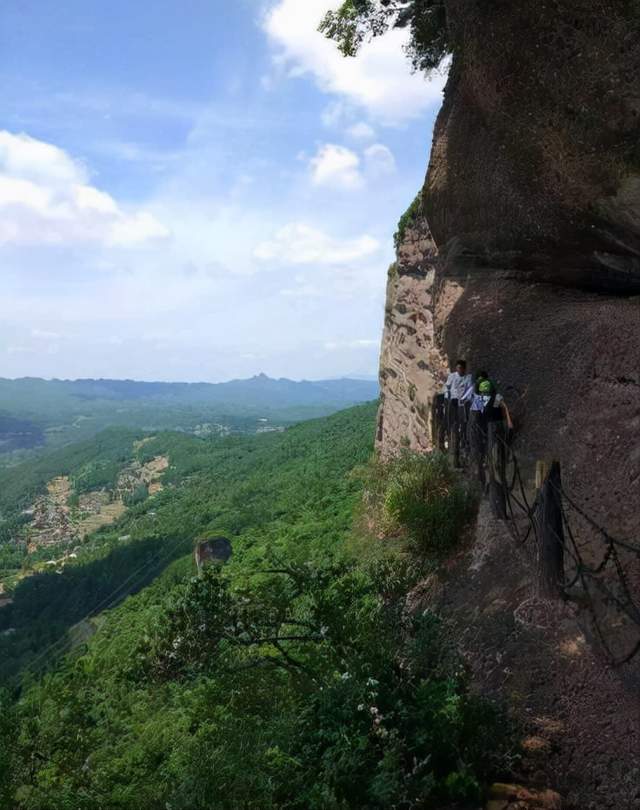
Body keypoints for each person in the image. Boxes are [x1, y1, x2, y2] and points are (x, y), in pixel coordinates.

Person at [465, 371, 513, 488]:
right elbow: (474, 420)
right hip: (482, 433)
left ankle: (498, 481)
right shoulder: (479, 399)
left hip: (494, 430)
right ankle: (483, 484)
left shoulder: (494, 396)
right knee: (481, 459)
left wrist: (509, 421)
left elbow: (503, 407)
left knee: (497, 456)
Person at [443, 360, 473, 466]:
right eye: (457, 368)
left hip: (463, 403)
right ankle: (452, 432)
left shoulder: (468, 378)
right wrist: (447, 396)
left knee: (464, 421)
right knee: (452, 421)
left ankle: (464, 439)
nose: (459, 370)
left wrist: (467, 399)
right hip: (453, 402)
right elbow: (446, 388)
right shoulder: (452, 376)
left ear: (464, 369)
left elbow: (470, 390)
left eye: (461, 368)